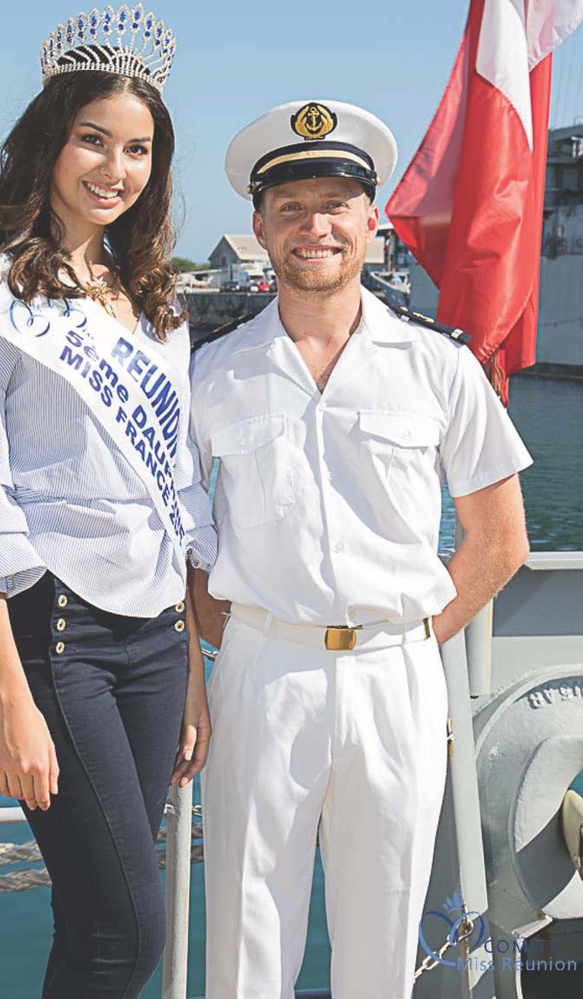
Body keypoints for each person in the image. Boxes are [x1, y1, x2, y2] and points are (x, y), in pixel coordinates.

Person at [0, 2, 216, 999]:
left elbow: (176, 497)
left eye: (136, 149)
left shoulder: (153, 299)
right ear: (50, 141)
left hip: (157, 643)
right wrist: (10, 702)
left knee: (93, 918)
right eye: (92, 140)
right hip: (53, 641)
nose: (113, 168)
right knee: (127, 929)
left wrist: (194, 669)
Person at [188, 99, 532, 998]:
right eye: (292, 207)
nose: (316, 225)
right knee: (242, 943)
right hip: (261, 671)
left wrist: (415, 638)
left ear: (369, 220)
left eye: (336, 203)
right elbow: (178, 540)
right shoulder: (210, 371)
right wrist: (242, 638)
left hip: (395, 675)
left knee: (383, 948)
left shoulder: (437, 364)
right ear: (258, 227)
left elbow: (499, 538)